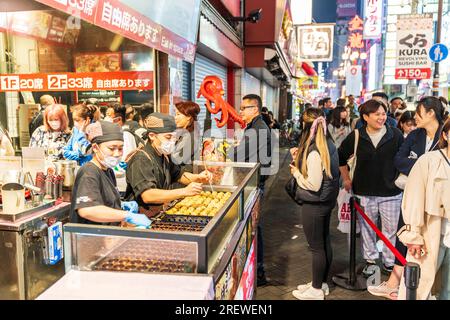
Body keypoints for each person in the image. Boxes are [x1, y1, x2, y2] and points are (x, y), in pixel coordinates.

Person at [368, 97, 445, 299]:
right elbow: (399, 160)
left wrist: (420, 164)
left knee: (433, 248)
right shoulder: (415, 135)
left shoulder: (444, 135)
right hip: (413, 196)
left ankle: (424, 289)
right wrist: (425, 165)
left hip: (438, 203)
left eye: (419, 112)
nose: (414, 117)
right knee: (406, 235)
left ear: (430, 113)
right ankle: (396, 282)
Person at [338, 99, 404, 276]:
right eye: (377, 114)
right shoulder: (357, 135)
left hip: (391, 192)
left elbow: (404, 159)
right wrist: (346, 179)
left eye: (383, 114)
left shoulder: (395, 134)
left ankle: (389, 262)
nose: (382, 117)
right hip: (364, 192)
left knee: (391, 230)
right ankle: (370, 260)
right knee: (367, 229)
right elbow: (341, 157)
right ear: (366, 117)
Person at [396, 118, 450, 300]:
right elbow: (413, 199)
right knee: (419, 289)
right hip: (432, 234)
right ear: (445, 135)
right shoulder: (428, 161)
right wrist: (414, 236)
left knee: (447, 289)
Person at [290, 108, 340, 300]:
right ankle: (321, 283)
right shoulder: (328, 144)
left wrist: (296, 173)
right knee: (324, 242)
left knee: (316, 247)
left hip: (315, 204)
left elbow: (313, 184)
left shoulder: (315, 151)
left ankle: (316, 290)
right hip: (326, 202)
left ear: (305, 125)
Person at [125, 113, 212, 216]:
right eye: (168, 137)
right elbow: (148, 195)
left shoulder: (164, 155)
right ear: (152, 136)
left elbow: (179, 175)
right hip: (139, 217)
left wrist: (199, 177)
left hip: (157, 213)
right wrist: (184, 191)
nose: (172, 142)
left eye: (174, 138)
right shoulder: (141, 159)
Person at [70, 120, 150, 227]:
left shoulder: (108, 170)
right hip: (90, 239)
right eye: (111, 148)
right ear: (95, 148)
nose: (117, 153)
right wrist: (126, 215)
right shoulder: (89, 172)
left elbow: (103, 200)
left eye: (120, 148)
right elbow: (87, 210)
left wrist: (119, 205)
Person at [227, 94, 272, 286]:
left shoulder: (258, 130)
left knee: (254, 227)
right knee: (253, 226)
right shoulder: (254, 128)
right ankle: (256, 267)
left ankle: (259, 271)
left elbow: (236, 154)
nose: (240, 112)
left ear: (254, 109)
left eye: (244, 108)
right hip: (253, 182)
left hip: (254, 184)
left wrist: (230, 150)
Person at [172, 101, 201, 172]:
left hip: (186, 177)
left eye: (178, 114)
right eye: (175, 114)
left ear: (188, 117)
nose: (175, 117)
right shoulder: (183, 133)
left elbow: (178, 160)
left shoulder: (191, 136)